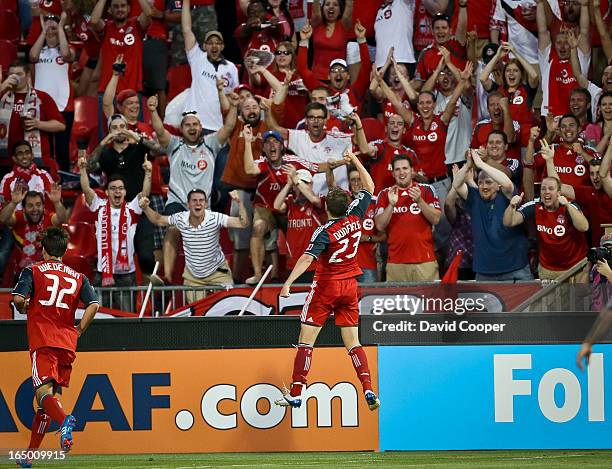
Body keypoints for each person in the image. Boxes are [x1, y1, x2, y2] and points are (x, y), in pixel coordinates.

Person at [275, 150, 380, 412]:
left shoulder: (324, 231)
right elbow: (370, 185)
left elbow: (306, 259)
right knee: (353, 343)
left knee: (306, 342)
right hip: (350, 287)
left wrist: (288, 282)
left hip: (326, 287)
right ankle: (367, 388)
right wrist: (354, 159)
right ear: (347, 204)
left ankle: (297, 393)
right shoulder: (356, 217)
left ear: (325, 207)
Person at [12, 227, 99, 464]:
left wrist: (23, 307)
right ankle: (30, 456)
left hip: (43, 340)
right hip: (67, 343)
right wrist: (79, 329)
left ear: (43, 248)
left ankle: (65, 421)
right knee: (49, 404)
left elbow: (18, 300)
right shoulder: (78, 277)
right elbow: (94, 304)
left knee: (42, 396)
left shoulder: (33, 270)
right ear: (63, 250)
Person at [148, 93, 237, 283]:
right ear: (181, 128)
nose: (192, 128)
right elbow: (159, 130)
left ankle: (209, 276)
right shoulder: (174, 145)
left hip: (202, 206)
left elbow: (229, 127)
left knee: (205, 244)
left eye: (195, 124)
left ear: (200, 127)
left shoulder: (211, 143)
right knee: (172, 229)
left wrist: (235, 107)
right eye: (188, 125)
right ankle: (168, 276)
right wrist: (153, 110)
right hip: (178, 201)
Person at [139, 189, 249, 302]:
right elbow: (158, 220)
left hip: (218, 272)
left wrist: (239, 203)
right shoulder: (181, 218)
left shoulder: (215, 218)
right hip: (193, 278)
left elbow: (243, 223)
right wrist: (145, 208)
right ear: (188, 204)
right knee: (197, 313)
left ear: (206, 204)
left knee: (226, 305)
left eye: (201, 200)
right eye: (194, 200)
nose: (198, 203)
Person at [243, 126, 318, 285]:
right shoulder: (262, 163)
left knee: (300, 229)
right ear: (263, 148)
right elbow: (249, 169)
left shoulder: (293, 162)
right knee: (258, 227)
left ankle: (303, 269)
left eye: (275, 141)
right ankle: (257, 274)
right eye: (267, 142)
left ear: (282, 145)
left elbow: (319, 167)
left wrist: (338, 163)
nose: (271, 145)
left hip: (287, 208)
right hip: (265, 208)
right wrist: (248, 143)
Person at [80, 154, 151, 309]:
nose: (117, 192)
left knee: (127, 320)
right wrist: (82, 169)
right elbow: (86, 189)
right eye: (113, 188)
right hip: (102, 272)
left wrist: (148, 173)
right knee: (99, 317)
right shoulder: (98, 207)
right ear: (106, 192)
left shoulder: (132, 209)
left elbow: (144, 193)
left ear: (125, 192)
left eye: (120, 188)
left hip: (126, 273)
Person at [452, 149, 532, 281]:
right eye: (481, 182)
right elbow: (457, 184)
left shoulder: (506, 195)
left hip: (515, 270)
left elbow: (507, 183)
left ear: (497, 185)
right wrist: (468, 165)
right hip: (485, 272)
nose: (484, 186)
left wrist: (482, 164)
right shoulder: (474, 198)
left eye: (488, 182)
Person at [504, 176, 589, 282]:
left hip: (576, 267)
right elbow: (509, 222)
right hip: (548, 269)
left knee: (580, 297)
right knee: (550, 299)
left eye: (551, 189)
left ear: (559, 192)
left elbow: (584, 227)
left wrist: (567, 205)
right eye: (543, 189)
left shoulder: (570, 207)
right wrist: (512, 206)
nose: (546, 192)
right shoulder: (534, 206)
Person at [374, 153, 441, 281]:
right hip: (396, 263)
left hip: (425, 262)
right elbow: (380, 226)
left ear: (412, 171)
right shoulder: (384, 194)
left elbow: (436, 219)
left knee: (428, 301)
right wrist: (391, 205)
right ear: (393, 173)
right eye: (397, 169)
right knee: (396, 301)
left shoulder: (426, 190)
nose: (401, 172)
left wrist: (420, 201)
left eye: (405, 168)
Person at [182, 0, 239, 133]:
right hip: (195, 125)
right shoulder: (197, 57)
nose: (214, 46)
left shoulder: (231, 68)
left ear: (222, 46)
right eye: (210, 43)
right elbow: (186, 29)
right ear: (205, 46)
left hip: (219, 128)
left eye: (218, 43)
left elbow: (234, 97)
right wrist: (186, 2)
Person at [0, 60, 66, 174]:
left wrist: (38, 124)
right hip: (5, 161)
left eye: (19, 74)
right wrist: (1, 88)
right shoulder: (2, 96)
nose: (15, 78)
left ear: (28, 75)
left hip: (36, 161)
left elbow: (61, 125)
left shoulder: (42, 97)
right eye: (11, 75)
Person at [29, 12, 76, 172]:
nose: (50, 30)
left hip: (64, 105)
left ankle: (62, 178)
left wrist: (60, 27)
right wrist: (43, 31)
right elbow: (32, 56)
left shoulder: (69, 50)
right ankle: (45, 178)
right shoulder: (39, 51)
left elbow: (65, 54)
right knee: (45, 146)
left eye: (53, 27)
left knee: (62, 147)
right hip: (41, 106)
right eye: (47, 26)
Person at [273, 167, 328, 284]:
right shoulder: (290, 202)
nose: (301, 188)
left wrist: (296, 181)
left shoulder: (319, 202)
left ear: (311, 185)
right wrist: (288, 184)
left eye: (305, 183)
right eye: (297, 185)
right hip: (294, 265)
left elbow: (314, 200)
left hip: (314, 265)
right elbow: (277, 206)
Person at [0, 184, 67, 272]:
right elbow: (3, 219)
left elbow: (61, 219)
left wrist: (57, 203)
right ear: (24, 208)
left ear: (43, 206)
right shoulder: (18, 217)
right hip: (20, 270)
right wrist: (13, 203)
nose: (35, 209)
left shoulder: (49, 217)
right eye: (30, 205)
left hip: (45, 271)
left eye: (38, 205)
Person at [576, 235, 612, 370]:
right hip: (595, 320)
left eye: (611, 249)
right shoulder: (595, 269)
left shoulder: (606, 270)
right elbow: (580, 292)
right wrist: (588, 266)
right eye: (605, 248)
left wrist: (609, 273)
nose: (607, 252)